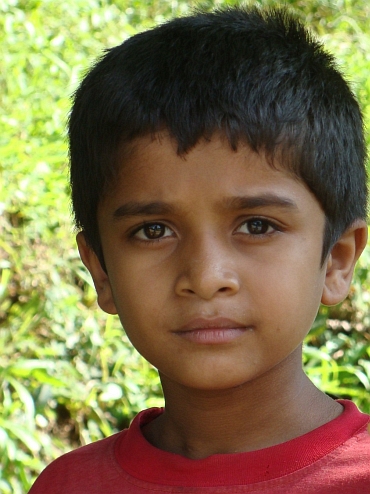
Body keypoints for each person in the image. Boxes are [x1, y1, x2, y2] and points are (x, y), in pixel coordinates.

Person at [29, 5, 370, 493]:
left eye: (257, 225)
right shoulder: (69, 485)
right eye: (153, 231)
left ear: (336, 260)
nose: (206, 275)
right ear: (101, 271)